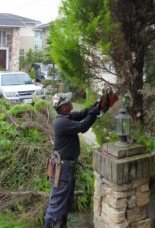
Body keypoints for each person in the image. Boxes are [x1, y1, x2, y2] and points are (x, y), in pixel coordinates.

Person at [43, 92, 102, 228]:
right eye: (69, 102)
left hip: (66, 168)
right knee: (56, 205)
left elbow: (81, 114)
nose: (72, 103)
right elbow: (82, 127)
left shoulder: (66, 116)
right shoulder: (61, 122)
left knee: (65, 204)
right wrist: (93, 114)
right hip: (61, 169)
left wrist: (97, 106)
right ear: (64, 107)